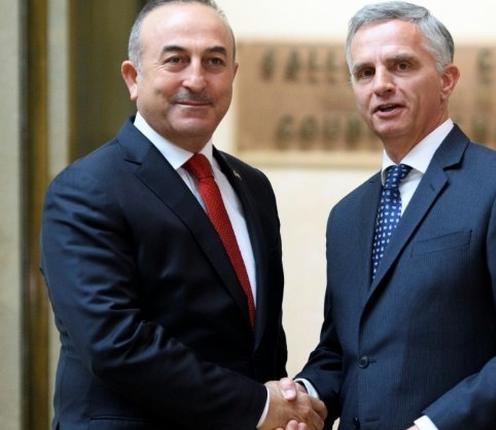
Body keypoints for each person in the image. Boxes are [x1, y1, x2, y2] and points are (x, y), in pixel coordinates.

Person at [288, 2, 496, 429]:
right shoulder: (346, 216)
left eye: (401, 66)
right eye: (364, 72)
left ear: (447, 80)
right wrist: (305, 398)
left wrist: (434, 425)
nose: (381, 85)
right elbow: (345, 351)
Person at [40, 1, 325, 429]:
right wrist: (258, 407)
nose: (196, 79)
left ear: (233, 75)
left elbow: (258, 341)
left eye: (214, 61)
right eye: (175, 60)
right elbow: (115, 343)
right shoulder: (86, 189)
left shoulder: (253, 187)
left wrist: (284, 405)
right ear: (133, 78)